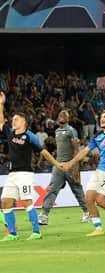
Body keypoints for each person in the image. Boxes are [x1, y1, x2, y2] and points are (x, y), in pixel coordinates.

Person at [0, 92, 64, 242]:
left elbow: (44, 152)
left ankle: (36, 231)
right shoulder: (10, 133)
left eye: (16, 119)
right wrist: (1, 104)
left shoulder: (30, 136)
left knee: (27, 201)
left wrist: (56, 164)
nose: (13, 121)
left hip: (25, 174)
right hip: (12, 174)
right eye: (13, 119)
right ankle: (12, 233)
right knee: (6, 202)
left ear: (23, 122)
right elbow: (1, 121)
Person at [38, 110, 89, 225]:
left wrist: (76, 168)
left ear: (68, 118)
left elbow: (76, 149)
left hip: (70, 165)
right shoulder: (56, 131)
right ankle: (44, 215)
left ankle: (88, 212)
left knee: (77, 189)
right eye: (60, 115)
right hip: (59, 165)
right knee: (52, 189)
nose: (61, 116)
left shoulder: (71, 131)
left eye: (64, 115)